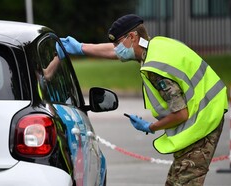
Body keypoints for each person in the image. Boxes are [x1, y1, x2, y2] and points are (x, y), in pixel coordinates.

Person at [60, 14, 229, 185]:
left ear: (132, 37)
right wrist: (82, 48)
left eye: (118, 43)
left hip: (203, 122)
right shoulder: (157, 45)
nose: (116, 49)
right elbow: (115, 51)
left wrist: (150, 127)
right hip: (209, 109)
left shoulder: (155, 69)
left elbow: (181, 114)